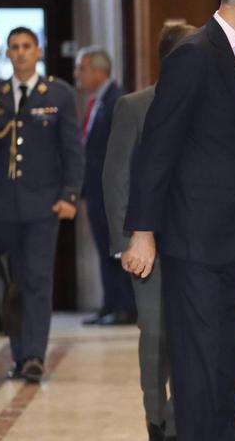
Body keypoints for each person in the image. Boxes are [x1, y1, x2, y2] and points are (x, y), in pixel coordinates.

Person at [121, 0, 235, 440]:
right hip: (192, 243)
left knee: (224, 372)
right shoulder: (194, 54)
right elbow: (157, 149)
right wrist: (143, 231)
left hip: (231, 242)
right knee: (197, 374)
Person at [0, 26, 84, 382]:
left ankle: (34, 355)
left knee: (36, 280)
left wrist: (69, 195)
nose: (20, 53)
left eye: (26, 47)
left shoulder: (59, 94)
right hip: (1, 207)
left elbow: (73, 151)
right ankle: (18, 355)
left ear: (38, 51)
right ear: (7, 53)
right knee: (9, 284)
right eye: (14, 47)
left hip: (42, 207)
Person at [102, 22, 195, 441]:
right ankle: (156, 419)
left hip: (199, 244)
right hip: (149, 245)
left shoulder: (213, 106)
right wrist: (125, 243)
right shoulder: (134, 106)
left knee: (194, 337)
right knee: (156, 333)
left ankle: (182, 421)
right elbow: (116, 176)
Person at [75, 46, 133, 326]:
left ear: (99, 72)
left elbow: (121, 151)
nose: (78, 75)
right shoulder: (97, 101)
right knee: (103, 248)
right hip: (97, 193)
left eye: (81, 69)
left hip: (112, 193)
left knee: (116, 247)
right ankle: (109, 304)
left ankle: (123, 306)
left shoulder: (117, 100)